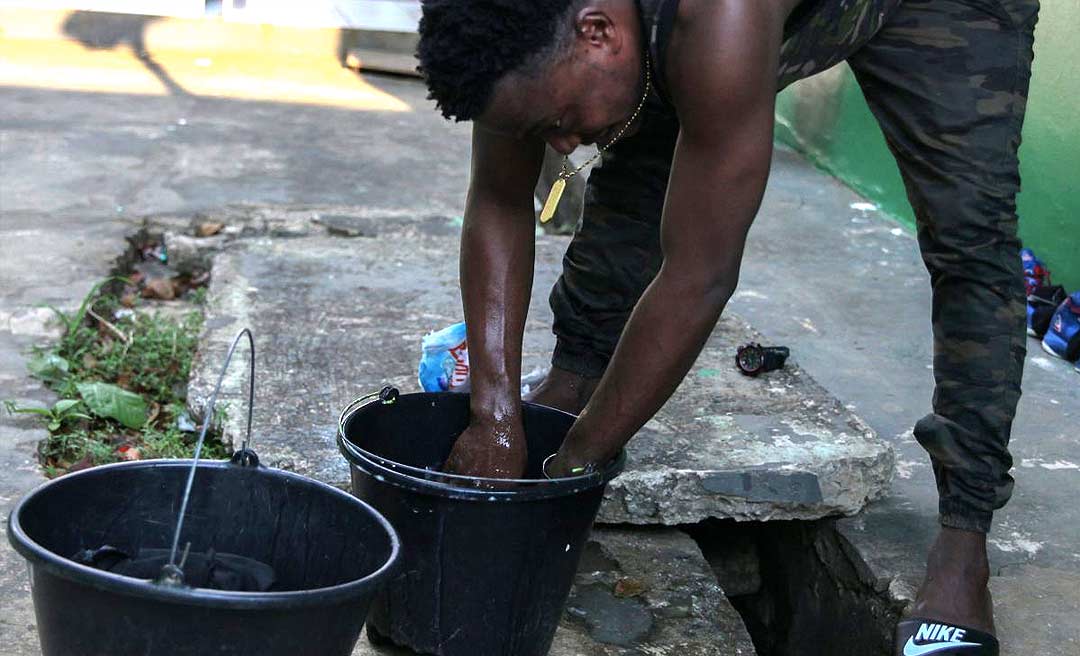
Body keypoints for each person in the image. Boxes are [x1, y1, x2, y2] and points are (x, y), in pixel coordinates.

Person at [416, 0, 1038, 653]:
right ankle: (576, 376)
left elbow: (699, 275)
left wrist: (573, 470)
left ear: (597, 30)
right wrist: (493, 413)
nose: (563, 146)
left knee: (970, 236)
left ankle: (964, 542)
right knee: (637, 118)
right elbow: (497, 196)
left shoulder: (718, 18)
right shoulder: (521, 24)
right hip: (686, 35)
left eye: (559, 123)